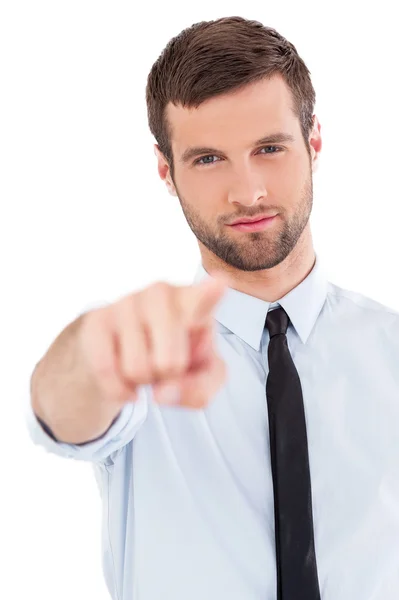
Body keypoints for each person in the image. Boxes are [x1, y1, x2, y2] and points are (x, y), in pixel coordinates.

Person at [25, 15, 399, 600]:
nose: (246, 191)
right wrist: (97, 353)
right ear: (165, 171)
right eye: (207, 159)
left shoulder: (391, 350)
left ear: (315, 142)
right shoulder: (145, 358)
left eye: (269, 148)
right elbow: (61, 411)